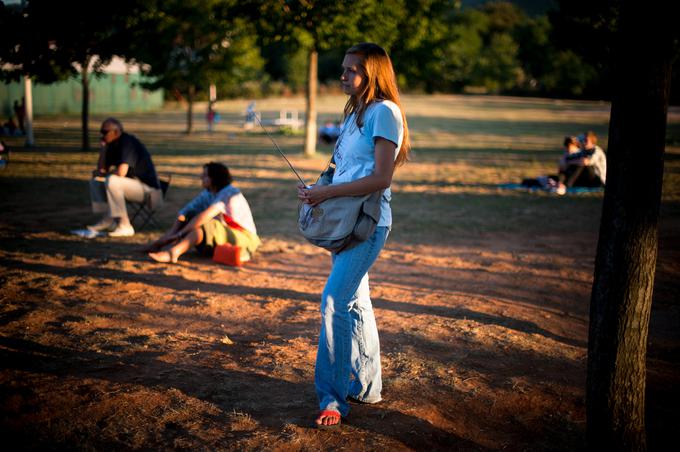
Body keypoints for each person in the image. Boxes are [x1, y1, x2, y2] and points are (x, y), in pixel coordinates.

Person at [297, 43, 410, 429]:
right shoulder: (354, 113)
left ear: (372, 73)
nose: (342, 75)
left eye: (351, 70)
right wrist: (318, 188)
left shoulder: (384, 112)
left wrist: (326, 194)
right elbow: (343, 168)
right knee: (356, 303)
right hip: (343, 219)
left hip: (368, 222)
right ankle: (367, 386)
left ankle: (332, 398)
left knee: (334, 301)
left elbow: (381, 177)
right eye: (343, 69)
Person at [146, 162, 260, 264]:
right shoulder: (208, 193)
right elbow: (185, 212)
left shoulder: (229, 192)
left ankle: (173, 253)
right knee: (191, 217)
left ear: (214, 178)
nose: (201, 177)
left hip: (244, 238)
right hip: (224, 235)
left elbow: (206, 215)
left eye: (205, 175)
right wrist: (172, 233)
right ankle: (159, 245)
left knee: (207, 224)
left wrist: (179, 234)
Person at [87, 117, 162, 237]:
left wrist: (105, 175)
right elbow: (101, 170)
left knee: (112, 181)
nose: (102, 135)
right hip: (133, 186)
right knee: (96, 181)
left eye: (105, 132)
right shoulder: (111, 145)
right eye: (101, 132)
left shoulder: (127, 142)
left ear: (116, 132)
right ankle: (108, 220)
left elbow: (121, 172)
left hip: (151, 193)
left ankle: (125, 225)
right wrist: (103, 149)